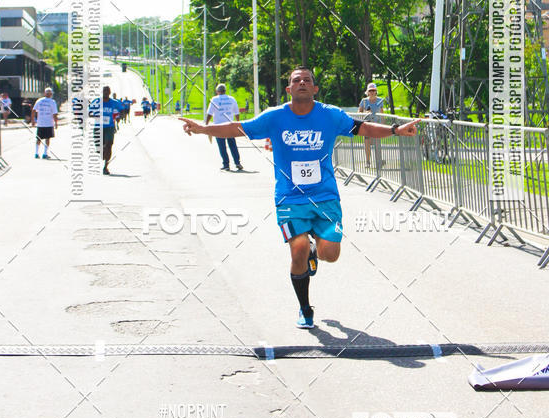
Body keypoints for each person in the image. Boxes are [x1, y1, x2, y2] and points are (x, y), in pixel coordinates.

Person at [179, 67, 419, 328]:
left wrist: (396, 130)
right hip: (290, 198)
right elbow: (239, 128)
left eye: (307, 80)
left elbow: (363, 128)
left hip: (325, 196)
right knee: (298, 249)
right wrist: (204, 129)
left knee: (330, 254)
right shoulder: (275, 117)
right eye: (296, 80)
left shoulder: (330, 115)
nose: (302, 83)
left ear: (315, 89)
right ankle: (305, 309)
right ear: (289, 89)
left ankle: (315, 249)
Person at [206, 83, 243, 171]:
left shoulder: (214, 100)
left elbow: (210, 114)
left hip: (218, 126)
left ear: (217, 91)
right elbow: (237, 113)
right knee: (232, 145)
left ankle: (226, 164)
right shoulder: (232, 99)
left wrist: (206, 124)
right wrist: (237, 124)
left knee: (222, 146)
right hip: (230, 125)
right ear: (225, 91)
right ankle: (237, 162)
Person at [358, 82, 386, 169]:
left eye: (374, 90)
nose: (372, 92)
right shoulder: (364, 101)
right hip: (367, 125)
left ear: (376, 91)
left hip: (377, 125)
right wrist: (364, 113)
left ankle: (379, 161)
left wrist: (384, 127)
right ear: (368, 92)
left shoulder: (379, 100)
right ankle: (368, 162)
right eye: (370, 90)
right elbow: (359, 112)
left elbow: (383, 114)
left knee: (377, 144)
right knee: (367, 144)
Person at [31, 87, 58, 159]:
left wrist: (33, 120)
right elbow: (54, 114)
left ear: (44, 93)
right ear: (51, 94)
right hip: (49, 123)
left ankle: (36, 153)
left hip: (40, 123)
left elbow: (33, 110)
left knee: (38, 138)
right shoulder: (52, 102)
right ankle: (45, 153)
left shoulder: (39, 101)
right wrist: (56, 123)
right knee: (47, 138)